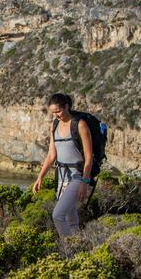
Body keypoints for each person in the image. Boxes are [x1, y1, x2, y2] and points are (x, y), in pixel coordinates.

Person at [32, 93, 93, 237]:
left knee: (57, 215)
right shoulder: (54, 125)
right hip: (61, 176)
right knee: (70, 220)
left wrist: (85, 182)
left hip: (78, 176)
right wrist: (40, 177)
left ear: (66, 106)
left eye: (58, 111)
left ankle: (67, 248)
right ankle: (79, 248)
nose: (56, 115)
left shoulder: (80, 124)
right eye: (53, 113)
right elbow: (51, 155)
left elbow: (89, 157)